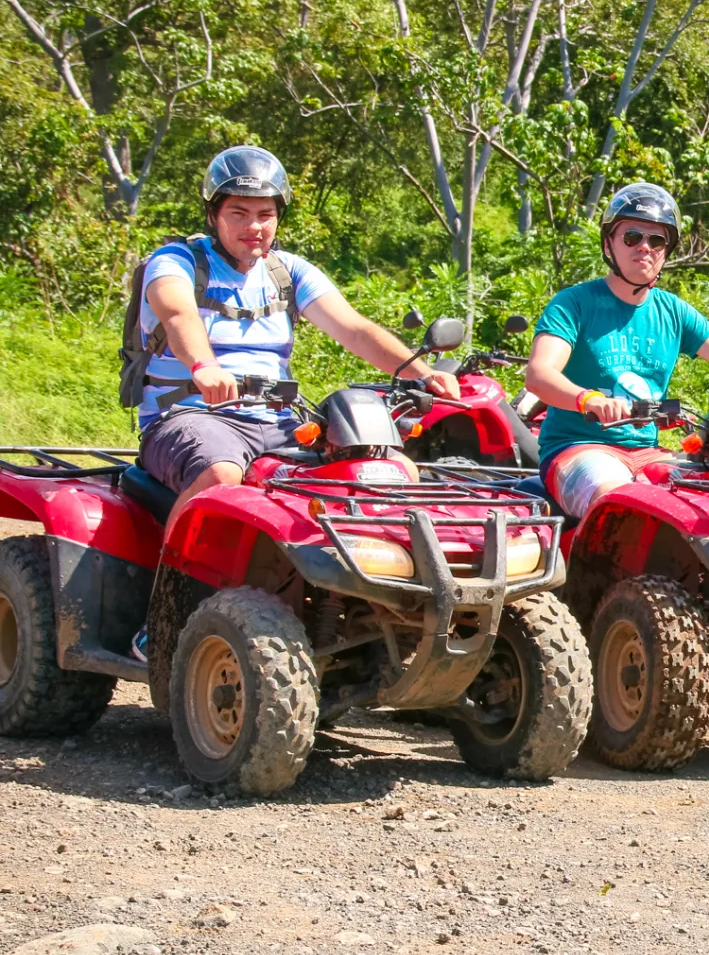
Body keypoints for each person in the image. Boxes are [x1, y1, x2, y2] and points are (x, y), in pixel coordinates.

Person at [129, 145, 461, 659]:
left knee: (393, 468)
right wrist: (204, 367)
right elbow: (177, 316)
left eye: (265, 214)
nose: (253, 226)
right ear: (214, 214)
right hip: (189, 415)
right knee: (219, 474)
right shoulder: (175, 262)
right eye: (238, 213)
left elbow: (352, 327)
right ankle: (162, 618)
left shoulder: (288, 270)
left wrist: (421, 373)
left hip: (279, 419)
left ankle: (389, 616)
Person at [523, 183, 709, 518]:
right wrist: (589, 400)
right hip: (580, 450)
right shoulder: (574, 303)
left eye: (657, 240)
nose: (645, 247)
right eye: (632, 237)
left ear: (666, 251)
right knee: (621, 504)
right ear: (609, 242)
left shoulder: (672, 311)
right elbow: (540, 375)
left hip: (649, 452)